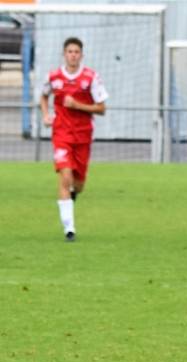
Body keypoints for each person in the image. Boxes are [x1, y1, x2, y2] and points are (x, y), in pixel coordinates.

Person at [39, 37, 108, 242]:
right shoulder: (53, 77)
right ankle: (69, 229)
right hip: (61, 134)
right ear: (64, 54)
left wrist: (77, 105)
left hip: (83, 135)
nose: (73, 55)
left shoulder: (90, 77)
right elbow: (43, 96)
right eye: (69, 51)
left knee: (78, 185)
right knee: (65, 176)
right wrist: (45, 114)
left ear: (81, 55)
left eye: (76, 52)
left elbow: (102, 108)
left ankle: (72, 195)